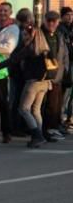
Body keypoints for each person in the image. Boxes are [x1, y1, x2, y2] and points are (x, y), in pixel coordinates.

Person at [0, 22, 55, 148]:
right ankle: (40, 135)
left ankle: (37, 136)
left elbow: (12, 60)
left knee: (23, 109)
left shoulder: (30, 49)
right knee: (36, 110)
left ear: (33, 34)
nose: (24, 37)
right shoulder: (45, 48)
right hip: (45, 83)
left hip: (33, 83)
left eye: (25, 34)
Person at [0, 2, 19, 140]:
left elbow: (8, 49)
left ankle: (6, 132)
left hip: (0, 69)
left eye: (5, 11)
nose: (2, 13)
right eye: (0, 10)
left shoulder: (13, 29)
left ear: (10, 12)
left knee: (3, 101)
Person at [40, 10, 68, 141]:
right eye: (49, 20)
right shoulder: (40, 34)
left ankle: (51, 128)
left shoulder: (59, 35)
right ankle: (43, 130)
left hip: (57, 75)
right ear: (45, 21)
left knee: (54, 104)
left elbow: (64, 53)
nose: (51, 23)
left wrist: (65, 69)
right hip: (43, 76)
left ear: (57, 22)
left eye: (54, 21)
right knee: (43, 105)